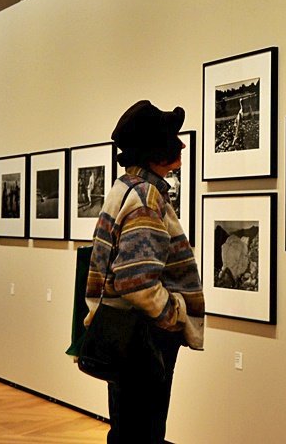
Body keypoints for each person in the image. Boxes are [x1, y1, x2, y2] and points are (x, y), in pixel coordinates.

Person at [85, 100, 204, 443]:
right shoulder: (146, 197)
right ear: (155, 149)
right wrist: (174, 316)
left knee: (127, 428)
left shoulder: (125, 187)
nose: (181, 144)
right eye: (172, 138)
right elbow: (136, 281)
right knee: (143, 432)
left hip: (124, 332)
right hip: (144, 336)